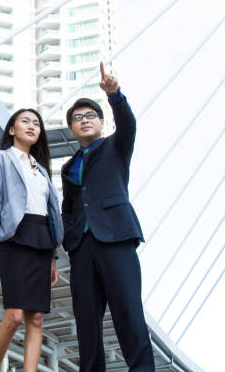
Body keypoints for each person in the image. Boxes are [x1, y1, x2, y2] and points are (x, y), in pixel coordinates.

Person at [61, 62, 155, 371]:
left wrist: (114, 95)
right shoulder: (68, 166)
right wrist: (69, 240)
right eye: (77, 118)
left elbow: (128, 124)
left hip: (115, 237)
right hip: (82, 247)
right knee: (87, 322)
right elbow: (69, 206)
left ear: (101, 123)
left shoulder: (116, 146)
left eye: (90, 116)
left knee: (128, 310)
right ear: (72, 129)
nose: (84, 120)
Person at [0, 108, 64, 372]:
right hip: (15, 238)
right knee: (14, 316)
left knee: (36, 318)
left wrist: (53, 256)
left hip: (42, 240)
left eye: (36, 123)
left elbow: (50, 213)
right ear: (12, 130)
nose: (32, 126)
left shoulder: (42, 170)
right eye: (25, 121)